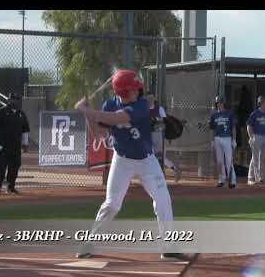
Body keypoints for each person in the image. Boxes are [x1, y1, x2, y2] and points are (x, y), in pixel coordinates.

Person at [74, 69, 190, 261]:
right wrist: (87, 114)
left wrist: (86, 110)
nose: (137, 92)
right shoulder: (109, 105)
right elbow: (100, 134)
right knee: (112, 204)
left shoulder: (141, 105)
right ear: (121, 92)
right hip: (122, 161)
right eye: (132, 90)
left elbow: (118, 119)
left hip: (147, 161)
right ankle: (89, 242)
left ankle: (168, 246)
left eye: (137, 89)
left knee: (162, 200)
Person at [0, 93, 30, 195]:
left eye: (16, 99)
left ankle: (10, 187)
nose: (13, 101)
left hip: (15, 146)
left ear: (18, 101)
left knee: (15, 167)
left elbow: (25, 130)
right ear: (8, 100)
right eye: (11, 100)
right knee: (0, 167)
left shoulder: (21, 114)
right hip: (2, 146)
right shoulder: (2, 112)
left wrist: (25, 143)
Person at [145, 92, 183, 182]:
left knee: (159, 156)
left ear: (154, 99)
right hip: (148, 136)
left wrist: (155, 120)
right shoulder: (144, 109)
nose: (150, 100)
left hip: (159, 135)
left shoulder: (159, 109)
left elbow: (164, 122)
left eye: (151, 98)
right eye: (148, 98)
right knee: (152, 156)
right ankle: (174, 169)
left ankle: (162, 176)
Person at [209, 96, 237, 189]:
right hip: (217, 138)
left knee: (229, 160)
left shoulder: (229, 113)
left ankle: (232, 181)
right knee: (219, 161)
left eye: (220, 103)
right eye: (217, 103)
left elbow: (233, 127)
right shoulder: (214, 114)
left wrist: (234, 140)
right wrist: (212, 140)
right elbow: (212, 129)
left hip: (227, 138)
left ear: (224, 103)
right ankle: (221, 180)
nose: (219, 104)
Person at [246, 96, 265, 185]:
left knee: (262, 158)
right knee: (255, 158)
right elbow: (249, 126)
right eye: (263, 102)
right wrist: (251, 137)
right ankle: (255, 178)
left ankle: (261, 177)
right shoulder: (255, 113)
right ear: (260, 103)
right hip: (256, 136)